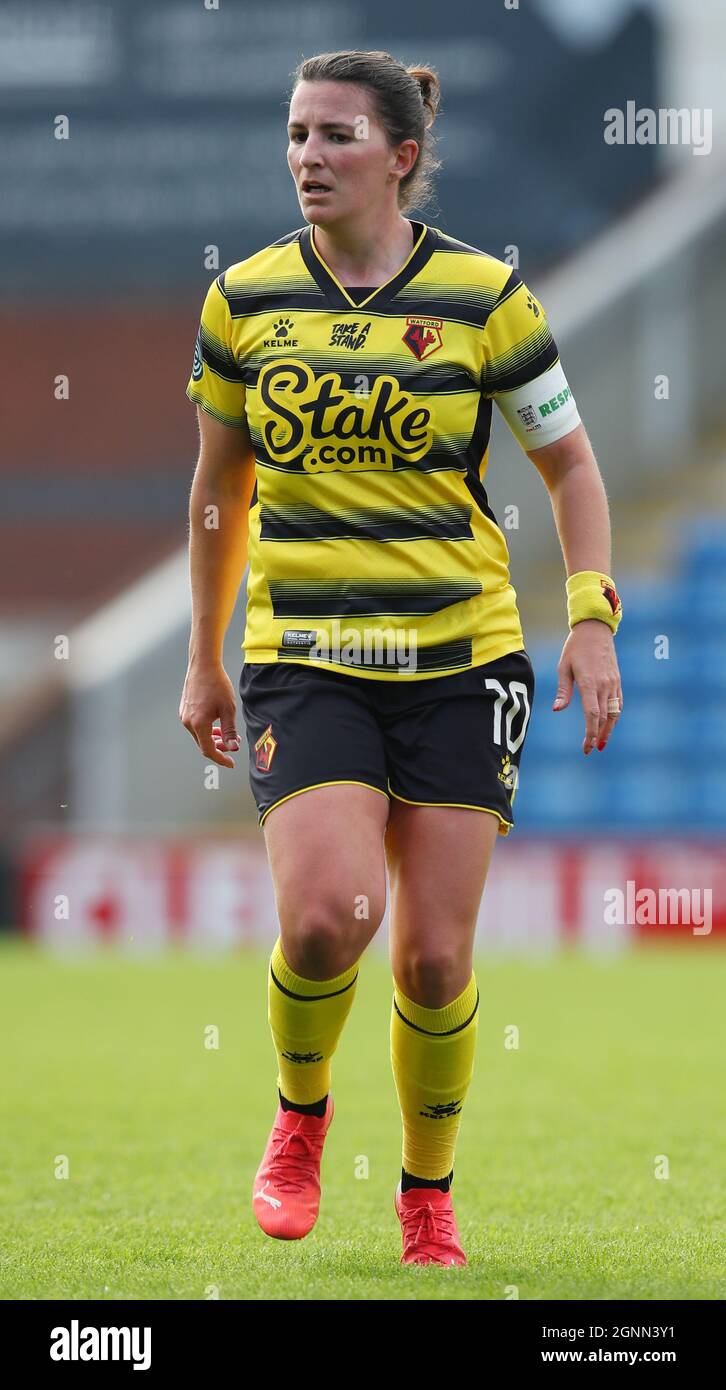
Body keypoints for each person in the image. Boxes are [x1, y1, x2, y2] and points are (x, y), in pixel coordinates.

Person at [180, 49, 623, 1268]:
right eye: (297, 134)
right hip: (307, 653)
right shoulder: (246, 301)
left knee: (433, 958)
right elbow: (221, 487)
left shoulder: (488, 300)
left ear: (402, 157)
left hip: (459, 655)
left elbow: (571, 467)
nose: (308, 158)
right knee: (330, 920)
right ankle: (301, 1112)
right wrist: (203, 658)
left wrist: (590, 614)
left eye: (336, 136)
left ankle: (427, 1191)